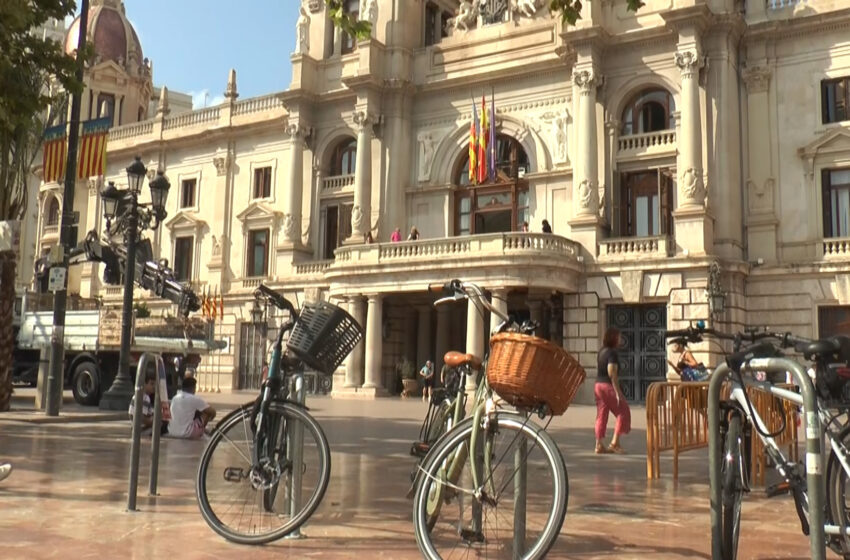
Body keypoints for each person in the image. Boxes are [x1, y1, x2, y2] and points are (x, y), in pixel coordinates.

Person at [594, 327, 631, 454]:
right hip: (607, 386)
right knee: (623, 411)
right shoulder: (612, 353)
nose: (620, 339)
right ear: (613, 338)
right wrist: (617, 391)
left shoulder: (601, 351)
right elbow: (612, 372)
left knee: (601, 414)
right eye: (619, 337)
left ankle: (598, 444)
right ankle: (615, 443)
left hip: (598, 385)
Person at [128, 370, 169, 435]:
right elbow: (142, 418)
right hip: (143, 430)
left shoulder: (137, 395)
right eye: (152, 384)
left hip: (137, 429)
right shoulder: (145, 397)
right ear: (144, 384)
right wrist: (155, 423)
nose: (154, 387)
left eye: (155, 384)